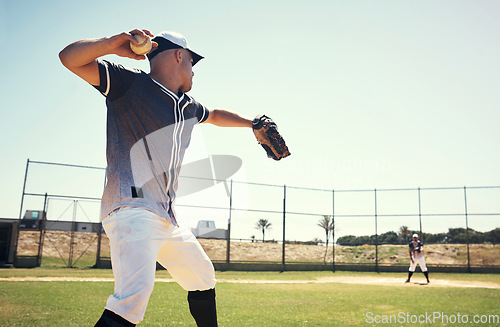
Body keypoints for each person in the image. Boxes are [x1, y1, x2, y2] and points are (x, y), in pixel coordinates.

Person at [59, 29, 254, 327]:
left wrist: (253, 124)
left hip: (165, 217)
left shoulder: (186, 106)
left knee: (202, 275)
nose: (192, 70)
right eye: (192, 61)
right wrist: (111, 45)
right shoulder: (130, 84)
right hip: (132, 209)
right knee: (131, 302)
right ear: (179, 55)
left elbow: (214, 114)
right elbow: (69, 58)